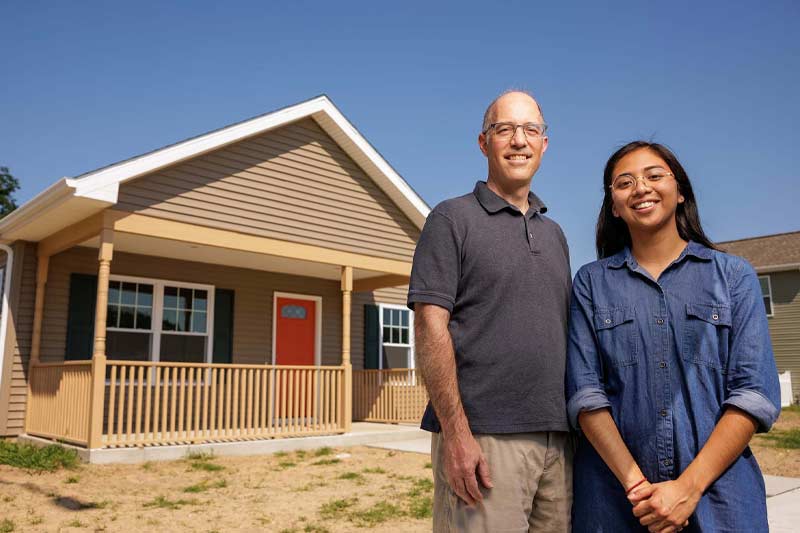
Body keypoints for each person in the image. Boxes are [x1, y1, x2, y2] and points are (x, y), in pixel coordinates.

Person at [566, 140, 780, 532]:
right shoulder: (590, 284)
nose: (641, 188)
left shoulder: (733, 278)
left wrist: (687, 489)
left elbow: (752, 394)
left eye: (654, 176)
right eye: (624, 182)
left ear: (680, 191)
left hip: (721, 503)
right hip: (616, 503)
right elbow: (585, 394)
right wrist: (640, 489)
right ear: (614, 205)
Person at [407, 90, 573, 532]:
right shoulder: (451, 219)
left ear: (544, 144)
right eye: (505, 129)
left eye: (530, 130)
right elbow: (429, 327)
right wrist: (458, 435)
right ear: (484, 142)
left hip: (558, 441)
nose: (519, 140)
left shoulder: (555, 234)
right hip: (485, 440)